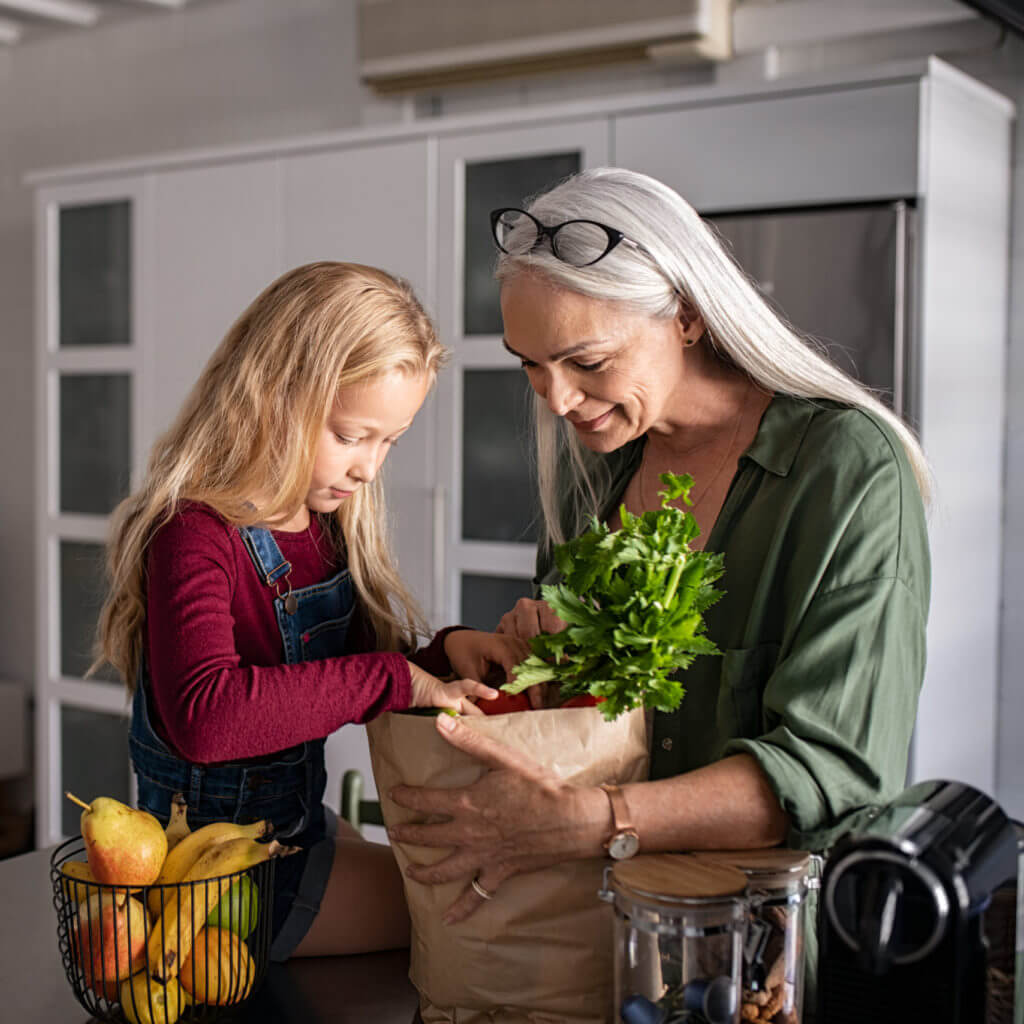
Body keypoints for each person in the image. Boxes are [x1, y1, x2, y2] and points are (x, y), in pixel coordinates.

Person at [386, 168, 931, 989]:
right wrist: (544, 661)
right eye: (531, 366)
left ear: (685, 313)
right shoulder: (591, 477)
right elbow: (603, 730)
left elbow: (832, 771)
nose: (558, 398)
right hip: (612, 946)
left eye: (587, 360)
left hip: (774, 968)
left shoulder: (846, 472)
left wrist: (593, 823)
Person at [93, 261, 526, 962]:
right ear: (273, 395)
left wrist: (440, 657)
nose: (369, 468)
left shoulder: (325, 522)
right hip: (211, 882)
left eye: (390, 440)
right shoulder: (194, 534)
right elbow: (209, 718)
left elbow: (341, 674)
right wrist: (397, 679)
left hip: (291, 829)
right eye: (353, 435)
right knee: (463, 907)